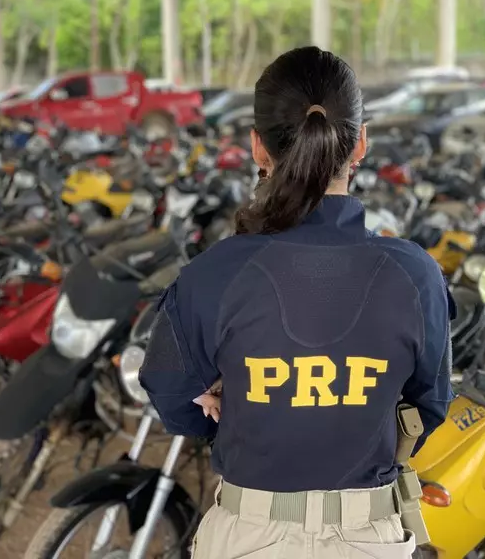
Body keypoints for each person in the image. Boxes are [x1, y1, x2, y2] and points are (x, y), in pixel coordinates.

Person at [139, 46, 455, 559]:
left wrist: (235, 406)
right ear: (360, 143)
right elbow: (430, 405)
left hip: (247, 536)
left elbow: (173, 397)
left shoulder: (214, 274)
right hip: (368, 538)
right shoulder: (414, 274)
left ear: (258, 148)